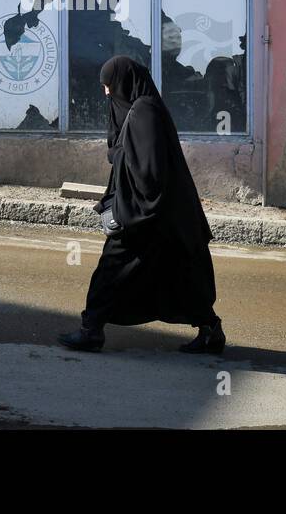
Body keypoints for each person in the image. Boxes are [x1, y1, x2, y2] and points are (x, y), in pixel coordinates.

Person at [58, 55, 225, 354]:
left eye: (109, 85)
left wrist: (129, 210)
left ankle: (91, 330)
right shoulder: (143, 108)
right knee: (181, 273)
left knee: (111, 270)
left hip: (147, 213)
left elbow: (149, 171)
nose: (107, 93)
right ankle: (210, 330)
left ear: (123, 82)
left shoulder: (143, 111)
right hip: (164, 215)